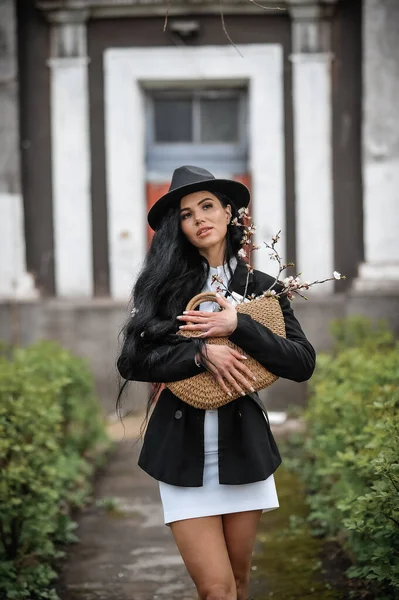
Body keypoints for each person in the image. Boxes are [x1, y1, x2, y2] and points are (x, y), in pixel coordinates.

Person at [117, 165, 316, 600]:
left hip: (244, 451)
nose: (198, 219)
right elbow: (132, 361)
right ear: (180, 228)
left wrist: (238, 325)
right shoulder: (164, 289)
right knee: (216, 589)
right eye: (186, 214)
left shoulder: (263, 288)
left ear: (230, 213)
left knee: (240, 585)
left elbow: (302, 363)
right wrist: (199, 352)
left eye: (207, 206)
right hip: (181, 454)